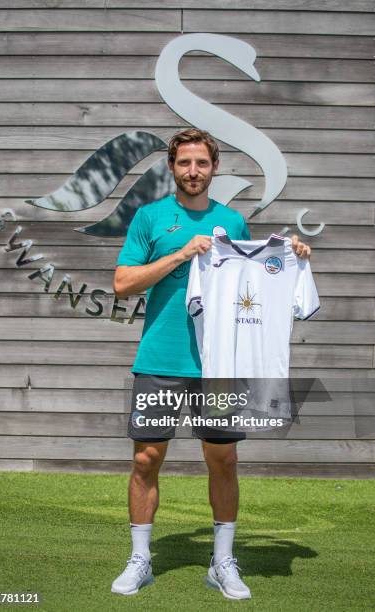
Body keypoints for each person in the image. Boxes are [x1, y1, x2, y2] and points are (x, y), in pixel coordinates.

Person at [111, 128, 311, 600]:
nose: (193, 172)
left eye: (202, 163)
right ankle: (140, 559)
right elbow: (122, 283)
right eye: (185, 163)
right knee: (146, 458)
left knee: (222, 458)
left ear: (214, 168)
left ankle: (222, 561)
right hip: (161, 357)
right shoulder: (150, 217)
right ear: (172, 167)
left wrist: (293, 257)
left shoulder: (234, 223)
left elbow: (259, 282)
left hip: (220, 361)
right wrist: (182, 252)